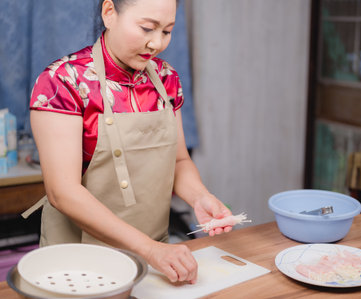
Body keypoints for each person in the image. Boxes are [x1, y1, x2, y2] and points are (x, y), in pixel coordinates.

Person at [24, 0, 232, 284]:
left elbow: (179, 161)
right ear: (109, 13)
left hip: (154, 257)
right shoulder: (63, 82)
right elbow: (63, 192)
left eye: (167, 31)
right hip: (80, 262)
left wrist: (200, 198)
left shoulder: (166, 78)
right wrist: (149, 248)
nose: (157, 43)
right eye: (147, 28)